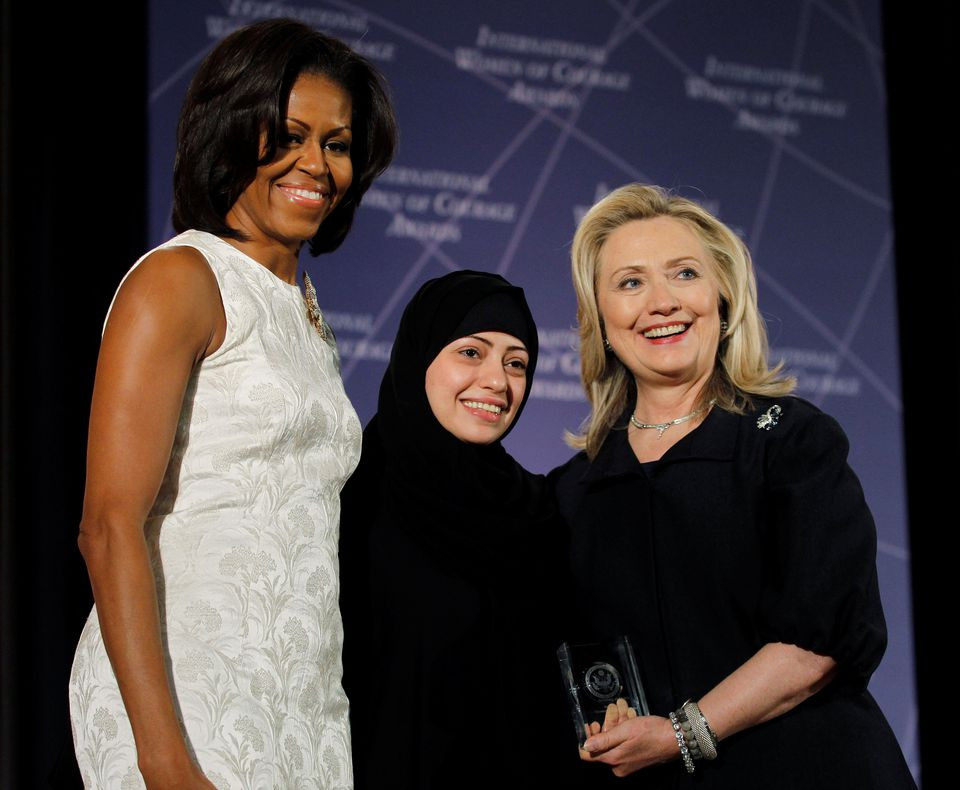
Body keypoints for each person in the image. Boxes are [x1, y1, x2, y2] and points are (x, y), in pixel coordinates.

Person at [68, 19, 396, 789]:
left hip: (299, 705)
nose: (315, 164)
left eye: (337, 144)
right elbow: (108, 525)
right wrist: (163, 756)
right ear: (228, 131)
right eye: (287, 134)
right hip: (184, 701)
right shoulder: (180, 278)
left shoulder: (307, 312)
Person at [550, 184, 916, 787]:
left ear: (722, 297)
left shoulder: (792, 442)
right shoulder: (573, 491)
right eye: (630, 282)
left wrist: (680, 735)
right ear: (601, 321)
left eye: (684, 273)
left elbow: (818, 640)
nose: (661, 302)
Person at [339, 270, 568, 790]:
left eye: (516, 364)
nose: (496, 381)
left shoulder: (539, 513)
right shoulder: (352, 498)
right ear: (420, 356)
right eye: (471, 352)